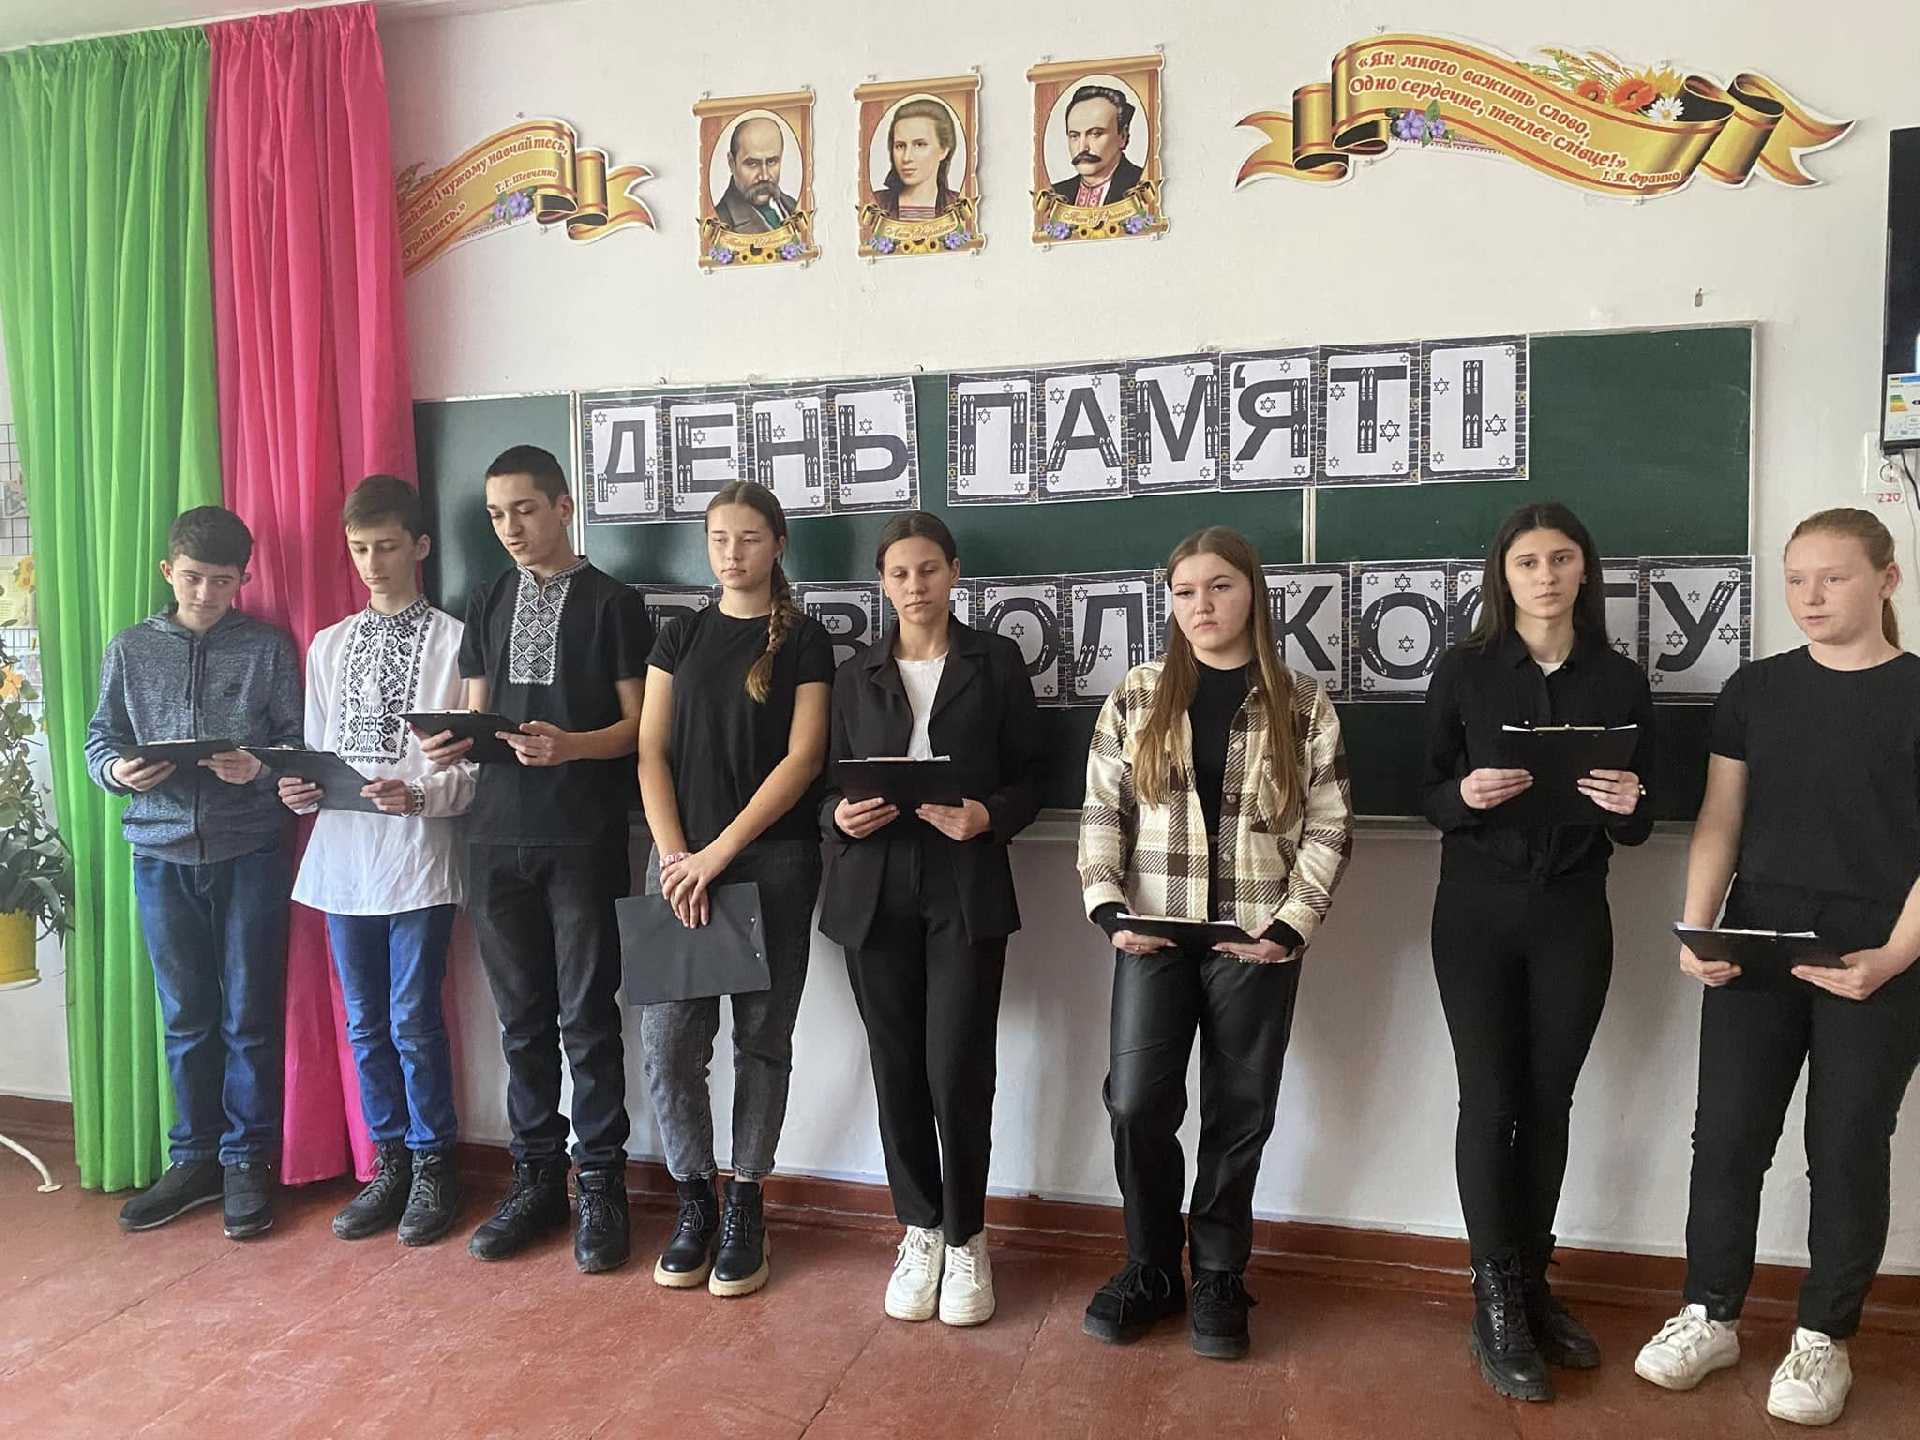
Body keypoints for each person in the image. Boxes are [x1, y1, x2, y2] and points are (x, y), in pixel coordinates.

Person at [1634, 508, 1920, 1428]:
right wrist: (1699, 928)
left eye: (1834, 577)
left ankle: (1823, 1335)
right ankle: (1708, 1314)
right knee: (1726, 1136)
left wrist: (1894, 957)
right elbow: (1721, 817)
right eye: (1797, 579)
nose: (1811, 596)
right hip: (1757, 939)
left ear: (1887, 580)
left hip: (1880, 950)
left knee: (1845, 1145)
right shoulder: (1755, 689)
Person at [1076, 525, 1353, 1360]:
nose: (1203, 604)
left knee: (1240, 1112)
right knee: (1136, 1103)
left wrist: (1292, 925)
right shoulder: (1138, 694)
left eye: (1221, 586)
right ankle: (1153, 1267)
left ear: (1253, 594)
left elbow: (1329, 825)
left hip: (1254, 937)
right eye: (1186, 591)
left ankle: (1221, 1274)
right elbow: (1102, 810)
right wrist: (1110, 911)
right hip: (1153, 935)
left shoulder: (1300, 703)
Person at [1420, 502, 1653, 1402]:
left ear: (1584, 570)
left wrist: (1630, 804)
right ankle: (1494, 1300)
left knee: (1550, 1101)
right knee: (1490, 1100)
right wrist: (1465, 795)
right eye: (1527, 561)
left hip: (1573, 911)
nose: (1546, 576)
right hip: (1476, 911)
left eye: (1561, 559)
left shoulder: (1620, 679)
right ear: (1504, 575)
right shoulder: (1465, 670)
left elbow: (1643, 819)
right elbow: (1423, 789)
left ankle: (1531, 1283)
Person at [424, 445, 651, 1274]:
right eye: (495, 515)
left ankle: (602, 1186)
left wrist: (570, 746)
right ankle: (535, 1182)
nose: (510, 528)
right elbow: (481, 716)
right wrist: (455, 742)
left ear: (562, 506)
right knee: (520, 1022)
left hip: (582, 836)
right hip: (493, 836)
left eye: (523, 509)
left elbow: (640, 727)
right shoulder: (487, 599)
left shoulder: (615, 603)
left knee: (587, 1021)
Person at [819, 512, 1043, 1327]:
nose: (914, 586)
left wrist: (989, 816)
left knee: (958, 1068)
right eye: (899, 574)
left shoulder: (996, 661)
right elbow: (825, 787)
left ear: (953, 572)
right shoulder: (855, 676)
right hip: (871, 886)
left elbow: (1034, 776)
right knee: (896, 1067)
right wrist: (837, 819)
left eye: (928, 570)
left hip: (963, 880)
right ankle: (919, 1228)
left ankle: (967, 1237)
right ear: (881, 584)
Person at [637, 479, 833, 1298]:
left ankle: (746, 1200)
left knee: (762, 1040)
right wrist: (677, 856)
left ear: (778, 544)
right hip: (679, 865)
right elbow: (650, 751)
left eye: (749, 538)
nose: (732, 553)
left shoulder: (806, 641)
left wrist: (719, 853)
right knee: (668, 1046)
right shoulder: (678, 635)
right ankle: (695, 1200)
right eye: (719, 538)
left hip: (770, 863)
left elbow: (804, 760)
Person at [86, 506, 302, 1240]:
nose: (206, 594)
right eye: (192, 578)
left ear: (244, 580)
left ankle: (246, 1161)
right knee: (185, 1015)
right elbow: (100, 739)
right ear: (167, 572)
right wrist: (118, 771)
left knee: (250, 1015)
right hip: (159, 850)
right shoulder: (130, 648)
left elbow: (295, 743)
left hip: (251, 851)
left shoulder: (268, 648)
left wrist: (258, 769)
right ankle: (193, 1158)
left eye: (221, 581)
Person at [278, 475, 474, 1247]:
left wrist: (419, 794)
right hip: (341, 859)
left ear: (420, 546)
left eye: (387, 547)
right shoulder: (329, 645)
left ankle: (434, 1164)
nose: (372, 563)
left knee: (412, 1019)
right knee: (364, 1023)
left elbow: (473, 768)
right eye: (359, 549)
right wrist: (299, 789)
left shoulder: (456, 642)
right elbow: (317, 752)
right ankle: (387, 1161)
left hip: (419, 855)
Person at [1049, 83, 1143, 207]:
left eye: (1095, 134)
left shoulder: (1142, 185)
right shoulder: (1057, 193)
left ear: (1122, 136)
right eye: (1074, 136)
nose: (1082, 148)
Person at [877, 99, 958, 221]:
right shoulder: (876, 204)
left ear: (943, 150)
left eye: (920, 144)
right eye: (900, 146)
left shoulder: (957, 204)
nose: (906, 158)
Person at [714, 116, 798, 233]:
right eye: (752, 163)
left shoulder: (793, 205)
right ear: (732, 163)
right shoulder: (721, 223)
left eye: (771, 162)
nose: (764, 176)